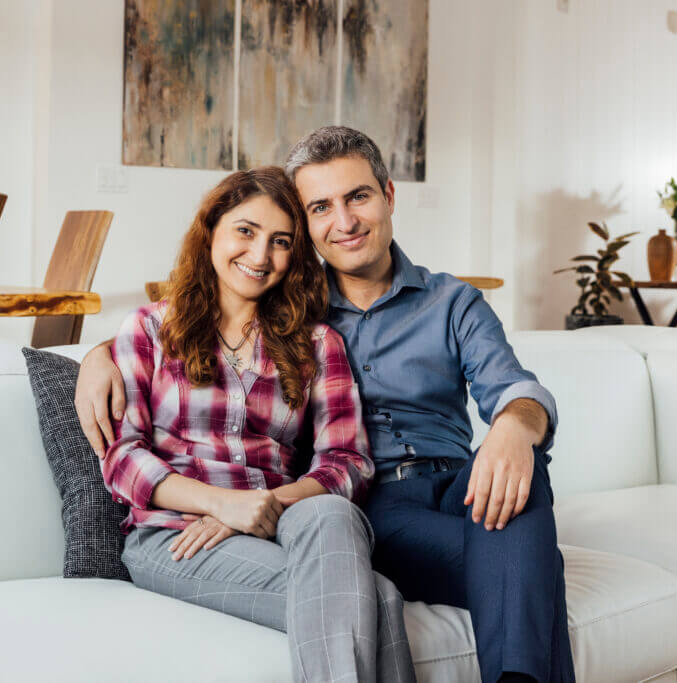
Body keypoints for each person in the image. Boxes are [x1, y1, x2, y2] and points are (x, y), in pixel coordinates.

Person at [78, 130, 574, 683]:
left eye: (358, 197)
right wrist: (96, 357)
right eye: (320, 207)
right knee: (525, 567)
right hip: (375, 508)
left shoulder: (427, 308)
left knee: (528, 468)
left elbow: (512, 389)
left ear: (388, 195)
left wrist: (513, 428)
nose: (344, 221)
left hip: (456, 485)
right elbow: (160, 380)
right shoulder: (264, 316)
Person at [96, 166, 416, 683]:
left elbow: (349, 461)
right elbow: (123, 457)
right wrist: (221, 504)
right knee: (378, 596)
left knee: (331, 512)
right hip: (176, 538)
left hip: (281, 529)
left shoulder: (317, 344)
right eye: (245, 231)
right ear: (212, 232)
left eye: (281, 241)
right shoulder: (152, 328)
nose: (261, 255)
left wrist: (261, 507)